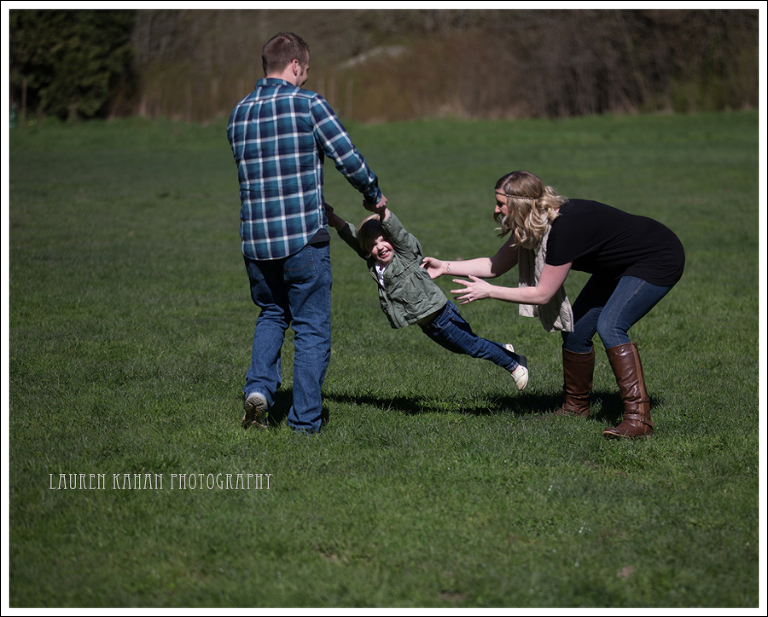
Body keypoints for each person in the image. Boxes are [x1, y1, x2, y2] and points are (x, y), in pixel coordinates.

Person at [422, 170, 685, 439]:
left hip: (657, 257)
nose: (497, 209)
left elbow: (542, 294)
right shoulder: (536, 222)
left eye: (501, 203)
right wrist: (445, 266)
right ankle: (575, 408)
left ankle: (639, 420)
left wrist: (490, 292)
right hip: (616, 264)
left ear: (520, 203)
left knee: (611, 325)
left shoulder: (563, 229)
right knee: (577, 331)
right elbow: (496, 264)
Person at [227, 32, 386, 433]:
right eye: (306, 70)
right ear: (296, 65)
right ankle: (304, 421)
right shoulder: (308, 103)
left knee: (271, 312)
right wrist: (373, 193)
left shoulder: (239, 112)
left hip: (256, 240)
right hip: (302, 237)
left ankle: (260, 389)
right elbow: (346, 156)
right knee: (312, 327)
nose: (305, 77)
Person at [325, 200, 529, 389]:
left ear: (393, 240)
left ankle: (514, 365)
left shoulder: (405, 253)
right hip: (429, 324)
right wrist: (335, 222)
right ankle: (504, 349)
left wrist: (382, 211)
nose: (379, 247)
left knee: (473, 347)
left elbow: (397, 231)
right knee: (464, 346)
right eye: (372, 244)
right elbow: (355, 238)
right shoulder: (374, 262)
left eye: (383, 240)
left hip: (441, 316)